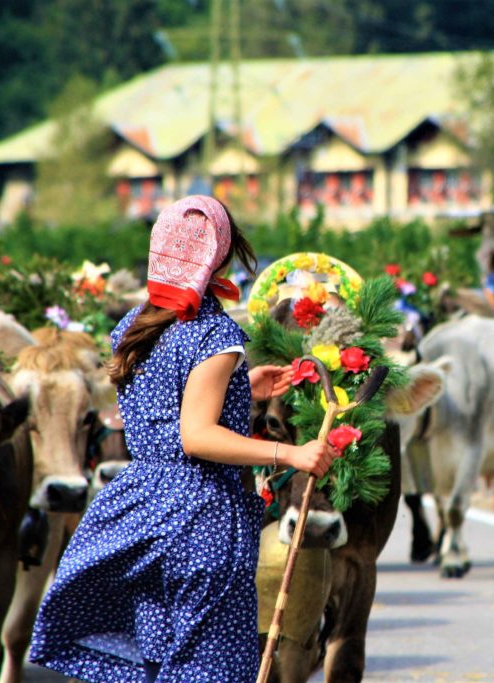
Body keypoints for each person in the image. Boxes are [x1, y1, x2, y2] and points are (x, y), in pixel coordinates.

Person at [28, 195, 338, 682]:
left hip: (138, 509)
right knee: (205, 668)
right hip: (201, 519)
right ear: (220, 255)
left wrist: (241, 390)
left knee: (157, 659)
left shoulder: (135, 326)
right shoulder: (213, 334)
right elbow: (196, 437)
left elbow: (167, 408)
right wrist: (291, 452)